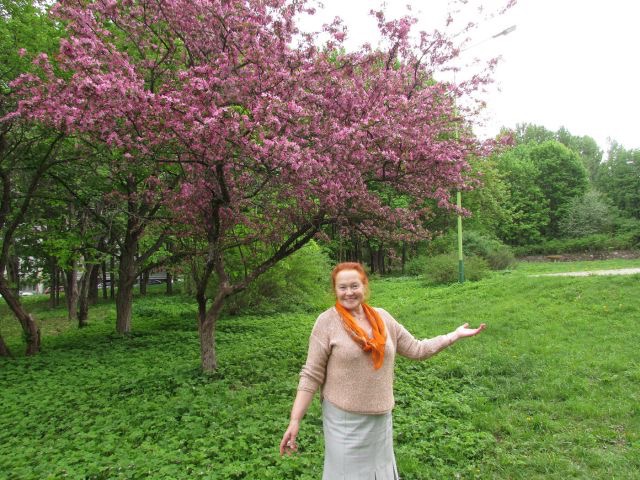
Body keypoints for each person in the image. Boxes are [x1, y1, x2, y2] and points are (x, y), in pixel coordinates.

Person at [279, 262, 486, 479]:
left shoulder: (383, 318)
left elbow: (417, 349)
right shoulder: (326, 322)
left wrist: (453, 335)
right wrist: (295, 420)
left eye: (354, 286)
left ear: (364, 286)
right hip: (344, 422)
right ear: (335, 290)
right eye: (342, 287)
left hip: (380, 419)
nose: (349, 292)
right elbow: (311, 374)